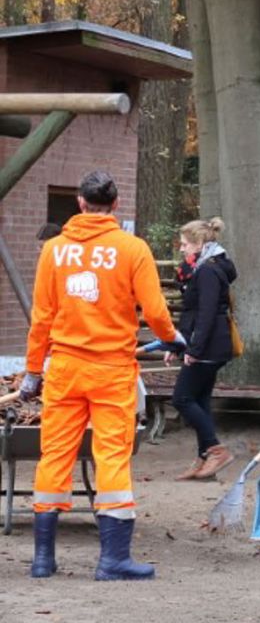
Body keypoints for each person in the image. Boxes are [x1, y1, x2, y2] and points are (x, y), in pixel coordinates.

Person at [21, 170, 185, 580]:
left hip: (64, 369)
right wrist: (171, 337)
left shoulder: (54, 250)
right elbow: (155, 311)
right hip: (111, 369)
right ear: (115, 204)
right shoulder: (132, 248)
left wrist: (32, 370)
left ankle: (43, 560)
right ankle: (112, 559)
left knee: (54, 455)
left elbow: (41, 317)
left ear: (80, 203)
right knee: (111, 455)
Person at [170, 217, 237, 481]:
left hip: (208, 347)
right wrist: (178, 344)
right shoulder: (206, 267)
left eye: (185, 244)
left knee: (182, 398)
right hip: (208, 344)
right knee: (200, 400)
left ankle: (216, 450)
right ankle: (204, 457)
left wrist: (194, 349)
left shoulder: (207, 271)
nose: (181, 248)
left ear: (199, 244)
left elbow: (206, 313)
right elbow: (194, 313)